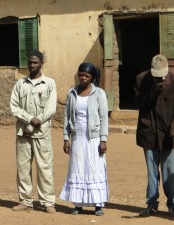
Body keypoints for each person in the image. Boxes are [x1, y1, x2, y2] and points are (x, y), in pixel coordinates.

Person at [135, 54, 174, 217]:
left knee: (170, 169)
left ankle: (173, 204)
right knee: (151, 170)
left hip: (167, 133)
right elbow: (139, 103)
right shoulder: (142, 79)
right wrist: (152, 93)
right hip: (148, 132)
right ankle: (151, 203)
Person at [10, 50, 57, 213]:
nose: (32, 65)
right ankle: (25, 200)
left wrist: (34, 123)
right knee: (23, 168)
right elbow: (14, 107)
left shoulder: (49, 83)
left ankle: (48, 202)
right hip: (23, 133)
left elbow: (50, 110)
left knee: (45, 167)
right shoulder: (20, 84)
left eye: (36, 62)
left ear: (42, 62)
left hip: (41, 133)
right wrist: (29, 120)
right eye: (30, 62)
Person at [60, 62, 109, 216]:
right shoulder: (72, 93)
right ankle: (78, 204)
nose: (82, 77)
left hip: (93, 138)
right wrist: (66, 138)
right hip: (77, 137)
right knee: (78, 168)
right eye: (80, 74)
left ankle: (98, 204)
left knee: (95, 168)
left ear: (92, 78)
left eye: (86, 76)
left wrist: (103, 139)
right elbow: (67, 116)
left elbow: (103, 118)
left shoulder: (99, 93)